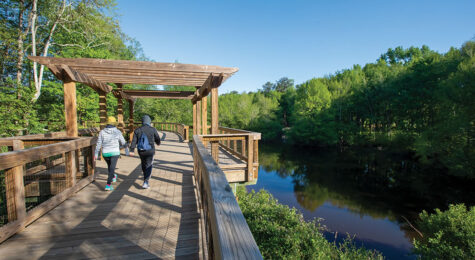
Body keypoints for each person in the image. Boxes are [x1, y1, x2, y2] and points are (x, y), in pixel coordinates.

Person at [94, 116, 126, 191]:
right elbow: (123, 142)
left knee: (110, 167)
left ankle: (114, 176)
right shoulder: (118, 132)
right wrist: (127, 150)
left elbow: (99, 143)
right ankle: (108, 184)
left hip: (105, 153)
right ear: (114, 124)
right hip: (115, 152)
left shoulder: (102, 132)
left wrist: (96, 153)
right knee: (111, 168)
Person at [129, 115, 161, 189]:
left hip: (141, 151)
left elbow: (134, 141)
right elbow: (157, 138)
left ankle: (145, 176)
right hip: (150, 150)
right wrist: (158, 143)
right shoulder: (152, 129)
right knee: (149, 164)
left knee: (143, 163)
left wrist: (132, 150)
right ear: (149, 121)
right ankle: (146, 181)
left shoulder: (137, 130)